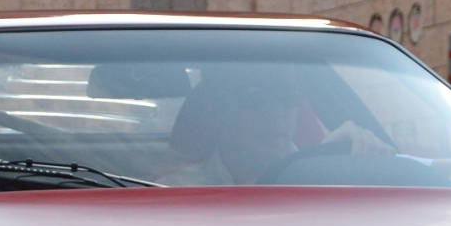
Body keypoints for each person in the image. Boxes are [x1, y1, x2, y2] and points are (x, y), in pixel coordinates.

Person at [167, 64, 390, 184]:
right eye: (253, 98)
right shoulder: (177, 192)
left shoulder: (328, 179)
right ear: (216, 110)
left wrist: (332, 162)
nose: (275, 113)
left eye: (289, 97)